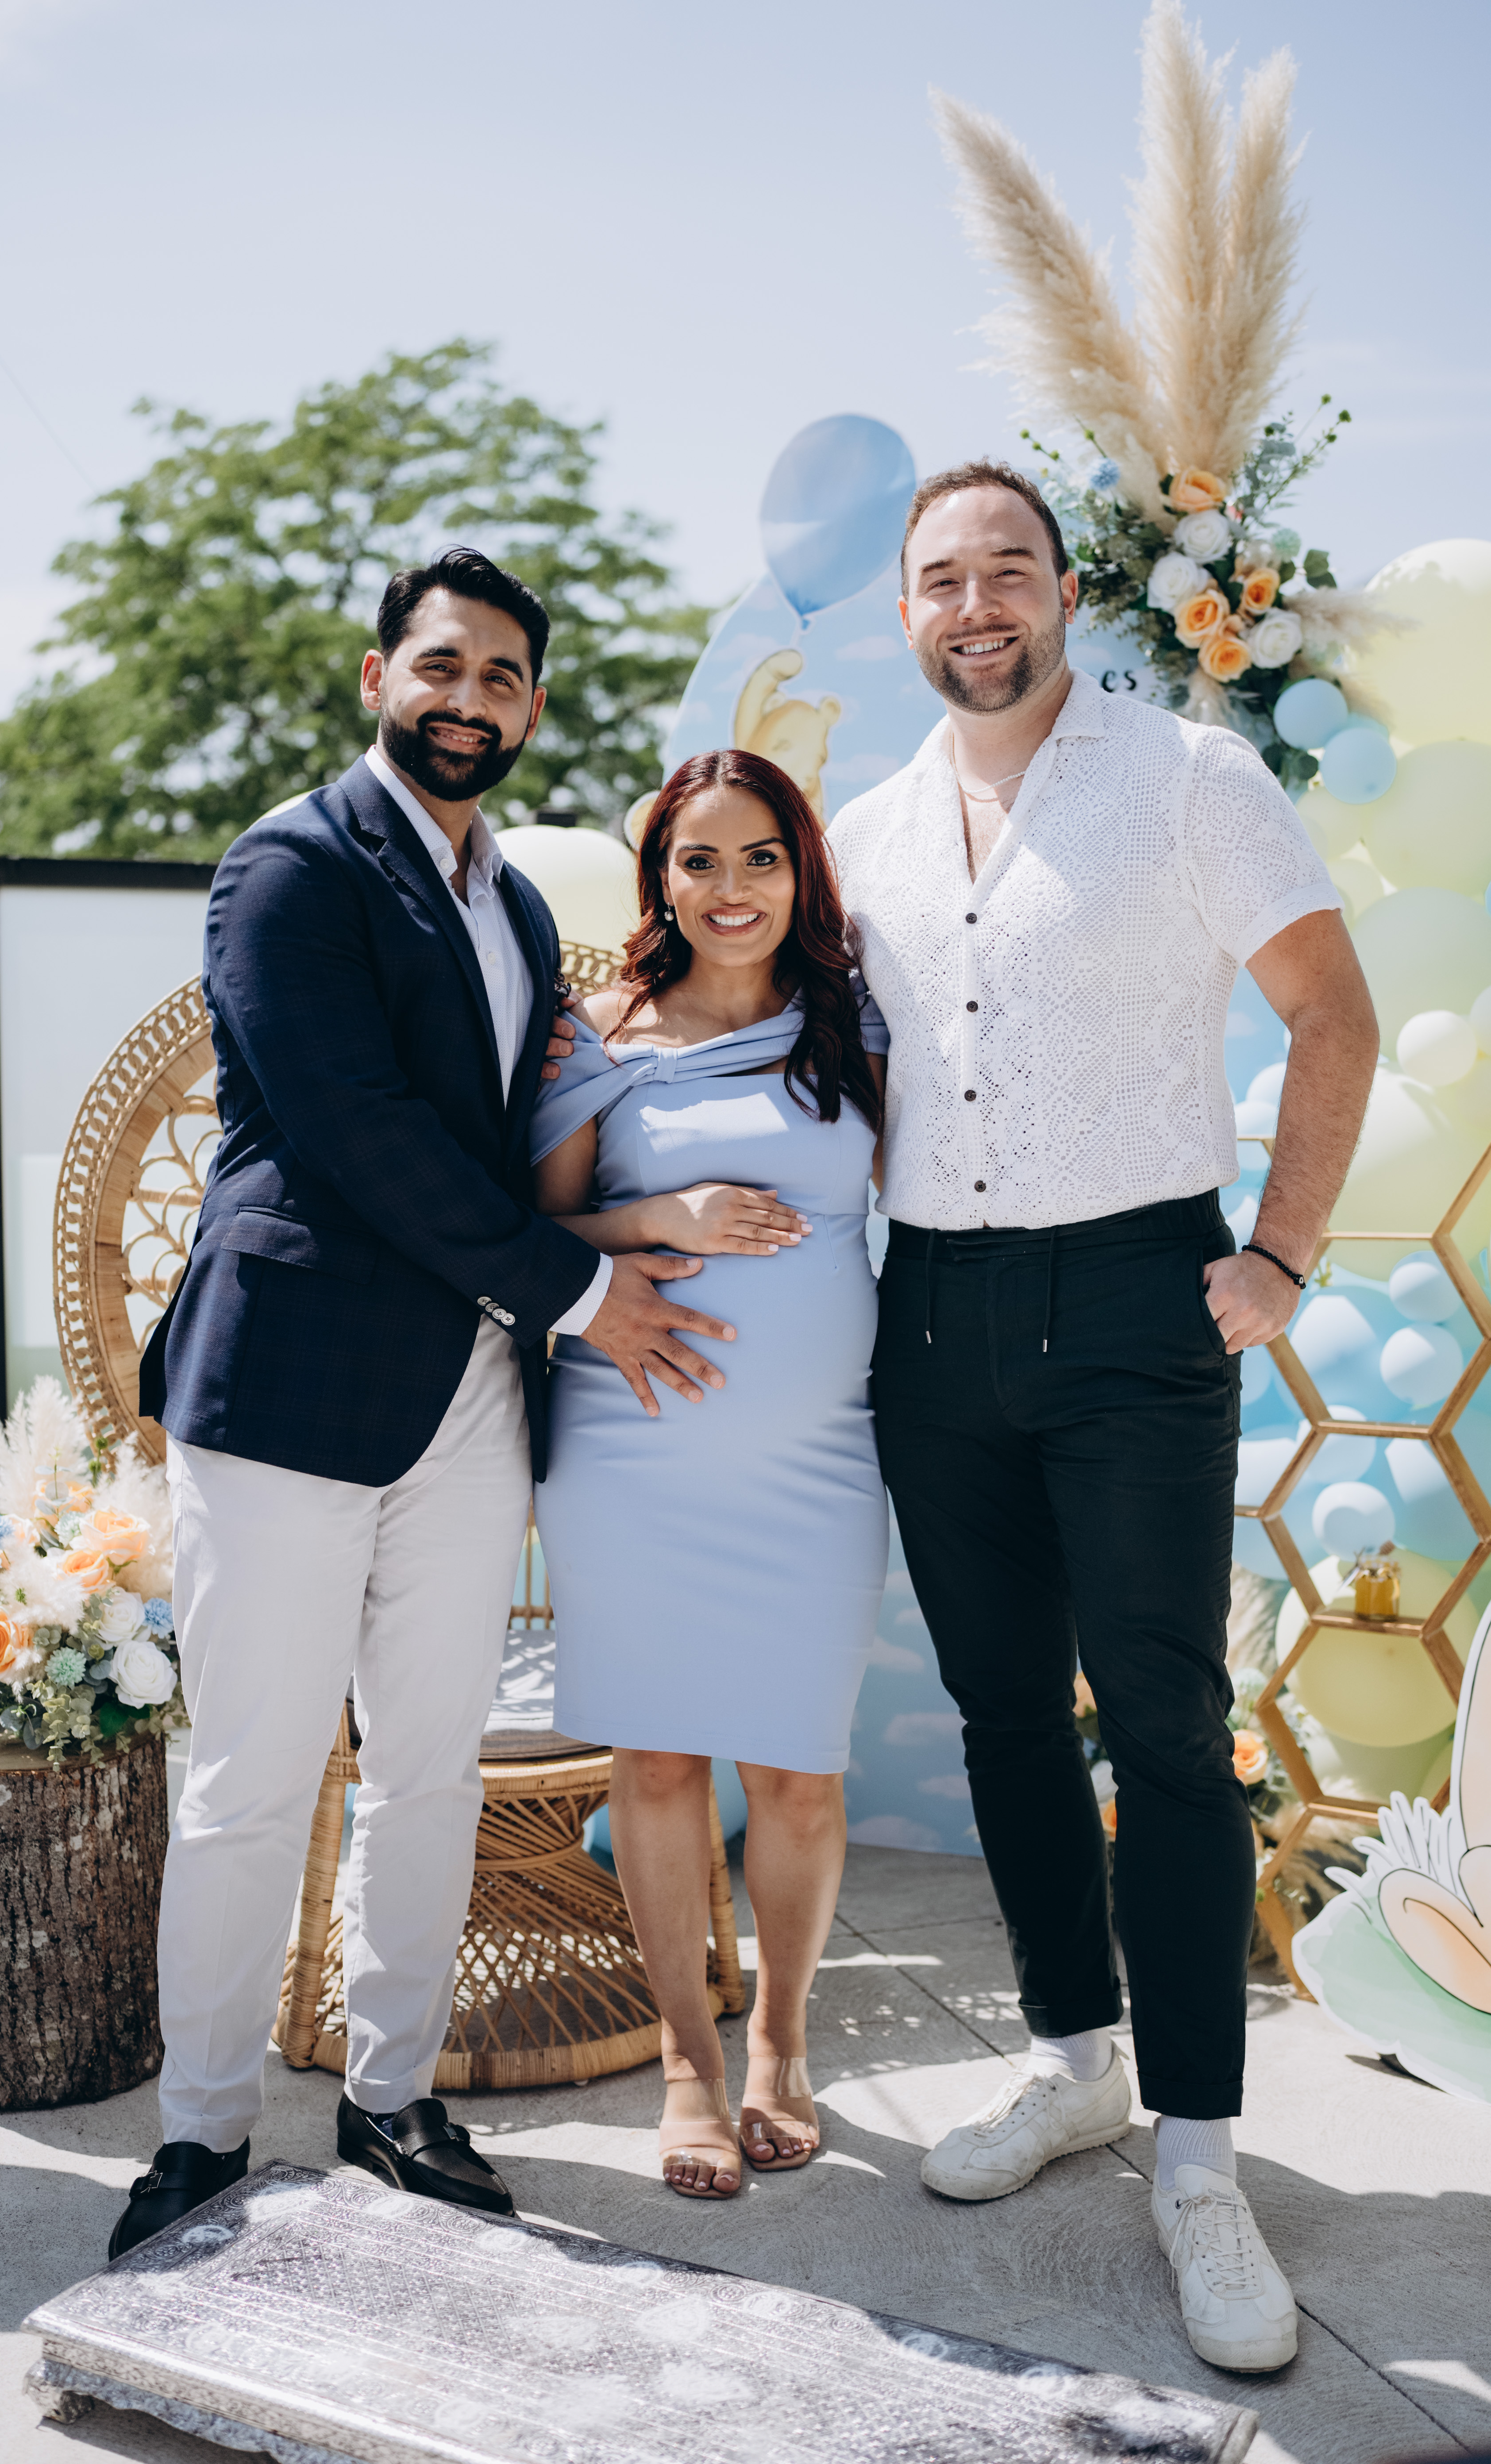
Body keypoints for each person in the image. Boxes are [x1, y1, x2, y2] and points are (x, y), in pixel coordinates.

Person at [109, 549, 736, 2258]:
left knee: (431, 1769)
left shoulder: (515, 907)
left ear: (530, 709)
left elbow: (517, 1148)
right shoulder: (289, 866)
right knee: (250, 1781)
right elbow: (357, 1132)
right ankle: (201, 2135)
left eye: (504, 677)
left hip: (473, 1390)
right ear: (379, 676)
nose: (472, 700)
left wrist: (644, 1214)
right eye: (443, 666)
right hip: (294, 1388)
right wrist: (589, 1294)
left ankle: (393, 2102)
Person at [827, 462, 1378, 2372]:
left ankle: (1202, 2161)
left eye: (1008, 569)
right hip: (932, 1310)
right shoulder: (865, 833)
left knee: (1161, 1724)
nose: (975, 604)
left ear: (1065, 592)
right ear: (905, 612)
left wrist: (1280, 1253)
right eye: (941, 579)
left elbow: (1333, 1015)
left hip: (1140, 1297)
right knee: (1003, 1715)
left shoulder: (1192, 779)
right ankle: (1075, 2067)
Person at [532, 749, 890, 2200]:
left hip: (820, 1459)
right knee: (663, 1760)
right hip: (631, 1453)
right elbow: (533, 1233)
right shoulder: (597, 1034)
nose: (731, 888)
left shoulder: (854, 1022)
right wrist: (660, 1215)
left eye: (761, 858)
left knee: (799, 1773)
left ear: (801, 872)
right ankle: (687, 2061)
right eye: (700, 860)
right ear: (660, 878)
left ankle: (783, 2045)